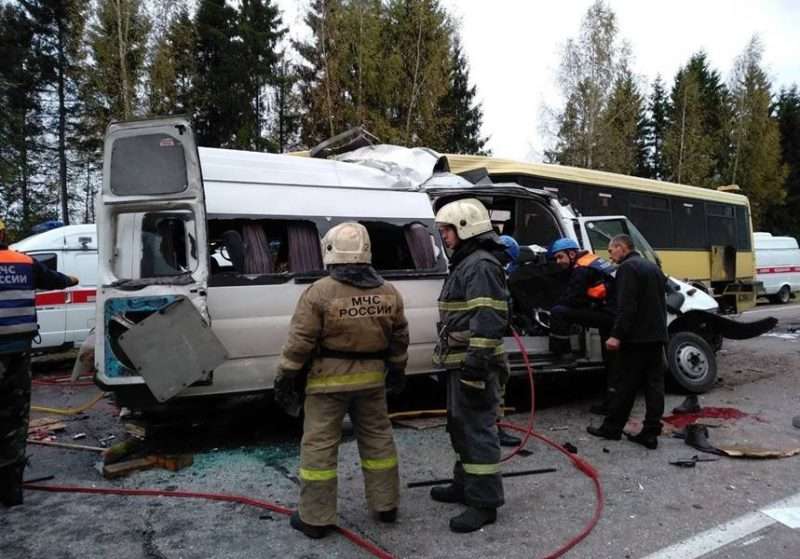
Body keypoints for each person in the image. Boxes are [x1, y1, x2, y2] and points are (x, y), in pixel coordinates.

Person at [274, 222, 409, 539]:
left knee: (319, 449)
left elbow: (300, 342)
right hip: (373, 383)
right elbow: (400, 337)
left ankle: (316, 519)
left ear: (330, 251)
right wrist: (397, 370)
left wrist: (285, 376)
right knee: (379, 442)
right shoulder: (388, 291)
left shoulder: (320, 292)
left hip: (326, 385)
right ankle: (386, 505)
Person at [432, 198, 508, 533]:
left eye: (447, 230)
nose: (444, 237)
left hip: (474, 363)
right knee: (461, 426)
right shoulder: (465, 263)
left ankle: (484, 503)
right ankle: (465, 485)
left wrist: (476, 366)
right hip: (460, 361)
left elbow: (488, 319)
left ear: (465, 228)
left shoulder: (479, 265)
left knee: (477, 430)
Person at [1, 219, 79, 506]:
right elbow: (57, 280)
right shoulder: (23, 263)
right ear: (4, 234)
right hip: (18, 353)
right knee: (14, 419)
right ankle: (11, 491)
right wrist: (72, 279)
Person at [586, 234, 667, 450]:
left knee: (625, 384)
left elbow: (626, 306)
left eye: (611, 251)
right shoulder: (652, 268)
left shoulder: (627, 269)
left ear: (622, 247)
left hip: (636, 338)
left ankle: (611, 428)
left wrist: (617, 335)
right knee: (654, 386)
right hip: (656, 336)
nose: (610, 256)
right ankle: (650, 433)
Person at [547, 237, 618, 414]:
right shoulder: (591, 260)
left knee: (558, 312)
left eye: (560, 257)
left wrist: (551, 308)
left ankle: (564, 354)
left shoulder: (581, 268)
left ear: (572, 254)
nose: (558, 262)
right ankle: (613, 404)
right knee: (612, 363)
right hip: (612, 313)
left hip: (608, 315)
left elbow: (574, 299)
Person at [495, 235, 522, 448]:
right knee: (496, 382)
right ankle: (493, 428)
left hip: (481, 339)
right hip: (488, 341)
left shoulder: (475, 264)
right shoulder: (491, 272)